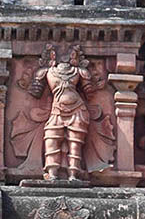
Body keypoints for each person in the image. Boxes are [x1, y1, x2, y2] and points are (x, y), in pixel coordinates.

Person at [28, 45, 98, 181]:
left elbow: (90, 93)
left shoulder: (79, 71)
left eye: (69, 52)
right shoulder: (45, 72)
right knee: (51, 138)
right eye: (58, 52)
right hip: (56, 110)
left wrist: (94, 82)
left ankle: (73, 174)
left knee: (75, 142)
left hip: (78, 109)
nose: (64, 54)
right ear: (51, 55)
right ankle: (52, 173)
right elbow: (35, 92)